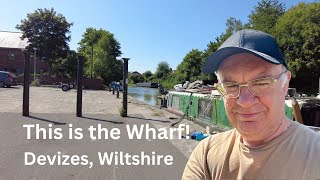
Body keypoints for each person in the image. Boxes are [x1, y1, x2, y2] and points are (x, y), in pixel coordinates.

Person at [182, 29, 320, 180]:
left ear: (285, 83)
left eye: (261, 83)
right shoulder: (206, 154)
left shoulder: (315, 155)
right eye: (231, 85)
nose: (245, 102)